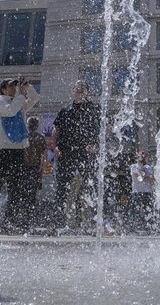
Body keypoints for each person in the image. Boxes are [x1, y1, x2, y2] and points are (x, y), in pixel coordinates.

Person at [0, 76, 38, 233]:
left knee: (15, 189)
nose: (14, 88)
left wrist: (27, 87)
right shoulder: (0, 101)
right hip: (1, 151)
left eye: (15, 86)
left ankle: (8, 223)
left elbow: (34, 99)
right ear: (3, 89)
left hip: (17, 150)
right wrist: (20, 95)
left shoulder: (19, 102)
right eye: (10, 86)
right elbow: (10, 110)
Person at [52, 80, 99, 232]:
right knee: (62, 188)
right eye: (77, 87)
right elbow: (56, 130)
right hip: (66, 153)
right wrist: (55, 147)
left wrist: (95, 144)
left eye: (83, 87)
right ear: (73, 90)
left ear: (87, 92)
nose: (79, 89)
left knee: (90, 187)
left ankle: (92, 223)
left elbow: (103, 129)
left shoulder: (93, 109)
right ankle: (58, 223)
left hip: (86, 153)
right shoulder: (65, 109)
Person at [20, 115, 48, 231]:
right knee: (31, 198)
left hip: (23, 169)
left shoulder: (23, 136)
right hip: (34, 170)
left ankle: (22, 222)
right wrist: (41, 173)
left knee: (22, 196)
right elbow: (44, 157)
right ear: (37, 126)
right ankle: (28, 222)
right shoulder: (40, 138)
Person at [127, 151, 155, 233]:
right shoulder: (133, 166)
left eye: (145, 157)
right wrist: (146, 176)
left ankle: (150, 228)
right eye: (142, 157)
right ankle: (132, 228)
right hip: (137, 192)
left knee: (148, 211)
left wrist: (144, 176)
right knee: (135, 210)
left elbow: (152, 179)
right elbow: (138, 176)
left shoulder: (148, 167)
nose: (143, 158)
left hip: (147, 192)